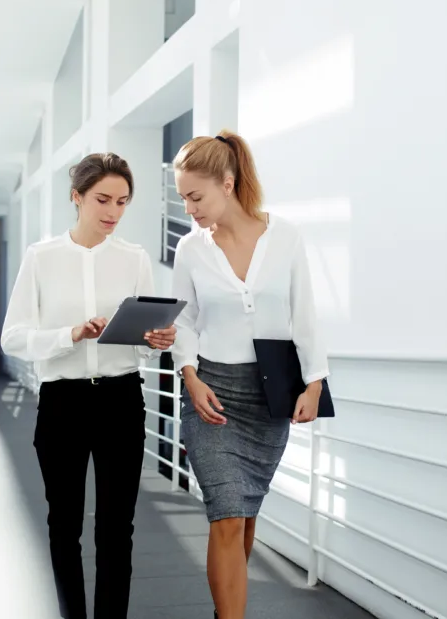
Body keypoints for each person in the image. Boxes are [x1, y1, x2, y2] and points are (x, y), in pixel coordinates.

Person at [1, 152, 177, 619]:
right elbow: (13, 338)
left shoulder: (135, 259)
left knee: (118, 528)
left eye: (122, 201)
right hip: (63, 402)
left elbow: (143, 347)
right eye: (103, 199)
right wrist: (71, 334)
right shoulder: (41, 258)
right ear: (76, 197)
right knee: (64, 526)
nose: (113, 212)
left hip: (122, 400)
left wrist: (156, 340)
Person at [170, 131, 329, 619]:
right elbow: (184, 321)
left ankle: (226, 611)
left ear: (227, 182)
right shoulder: (191, 250)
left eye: (196, 197)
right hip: (211, 396)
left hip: (269, 397)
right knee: (226, 515)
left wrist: (315, 383)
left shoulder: (286, 237)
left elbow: (304, 314)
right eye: (182, 198)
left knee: (246, 514)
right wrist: (190, 377)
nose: (189, 209)